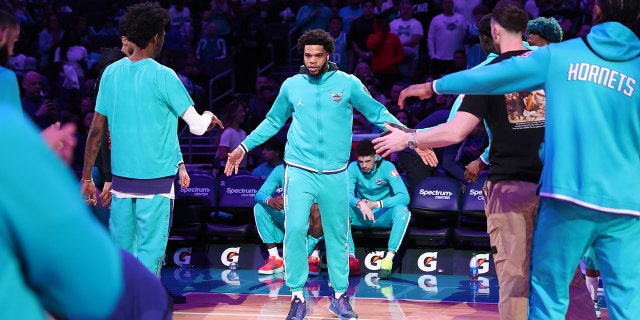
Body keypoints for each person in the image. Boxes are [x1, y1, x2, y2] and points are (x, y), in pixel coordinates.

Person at [375, 0, 640, 319]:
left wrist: (412, 133)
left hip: (517, 191)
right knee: (572, 284)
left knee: (518, 283)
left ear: (494, 31)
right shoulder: (556, 62)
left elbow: (456, 131)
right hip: (565, 190)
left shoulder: (494, 73)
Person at [224, 29, 426, 320]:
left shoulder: (347, 83)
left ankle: (341, 297)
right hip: (299, 169)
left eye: (318, 55)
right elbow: (272, 121)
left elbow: (378, 112)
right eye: (308, 56)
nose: (313, 61)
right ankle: (296, 296)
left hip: (335, 172)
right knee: (294, 229)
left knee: (338, 235)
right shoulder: (291, 85)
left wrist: (412, 138)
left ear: (329, 55)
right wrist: (244, 146)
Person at [80, 2, 223, 280]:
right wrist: (208, 115)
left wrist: (87, 177)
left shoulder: (110, 73)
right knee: (149, 260)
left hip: (121, 184)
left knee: (122, 258)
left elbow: (96, 130)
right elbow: (196, 126)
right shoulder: (165, 76)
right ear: (157, 36)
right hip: (156, 185)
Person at [347, 139, 411, 279]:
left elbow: (404, 197)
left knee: (403, 210)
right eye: (361, 162)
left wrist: (376, 204)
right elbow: (347, 194)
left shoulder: (387, 167)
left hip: (382, 214)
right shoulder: (353, 167)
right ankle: (351, 258)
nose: (364, 165)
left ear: (376, 157)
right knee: (340, 209)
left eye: (368, 161)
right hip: (362, 214)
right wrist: (360, 203)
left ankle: (388, 260)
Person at [254, 163, 325, 276]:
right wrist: (271, 201)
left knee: (320, 208)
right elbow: (259, 194)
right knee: (260, 207)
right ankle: (275, 258)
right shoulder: (280, 169)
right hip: (289, 217)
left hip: (309, 217)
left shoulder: (313, 168)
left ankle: (314, 257)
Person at [0, 9, 20, 109]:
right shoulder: (5, 76)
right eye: (13, 42)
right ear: (2, 34)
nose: (12, 51)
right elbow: (12, 124)